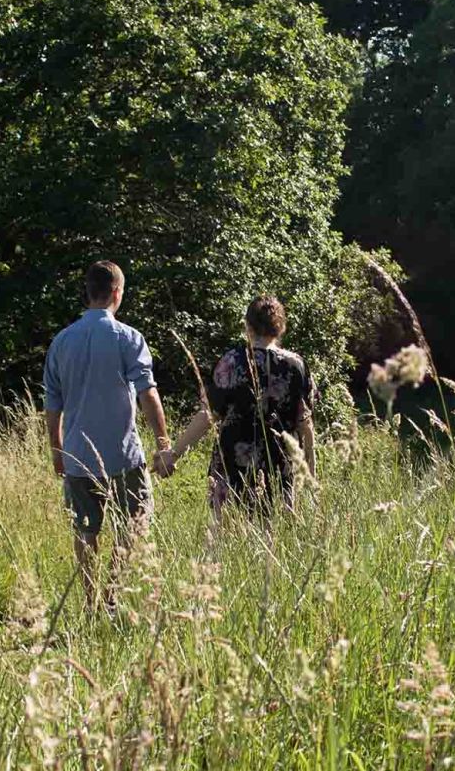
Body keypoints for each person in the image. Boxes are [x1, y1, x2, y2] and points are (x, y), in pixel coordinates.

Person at [43, 260, 175, 607]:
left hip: (77, 456)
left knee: (85, 531)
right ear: (117, 292)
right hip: (123, 456)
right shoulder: (128, 338)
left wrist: (57, 452)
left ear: (88, 292)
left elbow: (52, 404)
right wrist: (163, 443)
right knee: (135, 523)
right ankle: (112, 596)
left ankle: (90, 601)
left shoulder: (61, 342)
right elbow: (148, 393)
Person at [166, 296, 316, 515]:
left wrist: (173, 455)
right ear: (281, 327)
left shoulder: (232, 361)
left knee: (225, 537)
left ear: (248, 325)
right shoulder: (296, 365)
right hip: (280, 465)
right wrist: (311, 476)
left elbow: (208, 415)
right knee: (274, 538)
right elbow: (306, 424)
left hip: (232, 465)